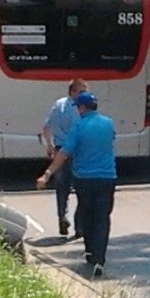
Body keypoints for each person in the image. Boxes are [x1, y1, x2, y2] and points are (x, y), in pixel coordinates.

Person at [36, 91, 117, 278]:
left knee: (87, 215)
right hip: (107, 177)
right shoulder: (108, 123)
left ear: (82, 107)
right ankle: (100, 259)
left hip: (84, 178)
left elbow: (63, 153)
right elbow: (111, 140)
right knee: (102, 218)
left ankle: (90, 255)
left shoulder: (79, 127)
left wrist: (47, 174)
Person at [41, 78, 87, 237]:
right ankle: (79, 226)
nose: (83, 95)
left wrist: (49, 145)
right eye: (81, 91)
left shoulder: (58, 104)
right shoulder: (78, 109)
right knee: (82, 188)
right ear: (73, 91)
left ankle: (62, 217)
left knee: (62, 188)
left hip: (60, 150)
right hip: (77, 151)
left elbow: (46, 127)